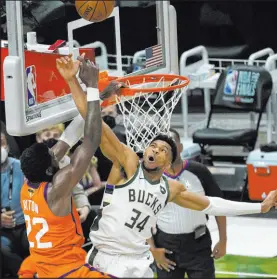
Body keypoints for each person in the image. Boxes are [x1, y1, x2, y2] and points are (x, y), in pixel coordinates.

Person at [57, 55, 277, 278]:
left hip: (138, 261)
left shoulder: (171, 188)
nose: (155, 150)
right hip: (107, 256)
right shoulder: (128, 162)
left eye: (163, 150)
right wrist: (72, 81)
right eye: (153, 146)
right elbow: (93, 121)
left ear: (169, 163)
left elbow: (213, 205)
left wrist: (260, 207)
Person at [19, 55, 112, 278]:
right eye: (53, 157)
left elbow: (67, 139)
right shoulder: (57, 189)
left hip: (47, 266)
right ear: (52, 171)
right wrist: (90, 85)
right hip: (66, 271)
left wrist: (99, 96)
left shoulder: (29, 181)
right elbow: (90, 140)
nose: (56, 152)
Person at [150, 128, 226, 278]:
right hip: (165, 247)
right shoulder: (150, 177)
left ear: (180, 147)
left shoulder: (199, 171)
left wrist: (223, 240)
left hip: (198, 245)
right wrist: (152, 249)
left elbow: (219, 206)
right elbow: (141, 215)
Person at [1, 130, 29, 277]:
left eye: (1, 143)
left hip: (26, 225)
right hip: (3, 232)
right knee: (4, 249)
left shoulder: (21, 166)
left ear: (7, 147)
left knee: (35, 241)